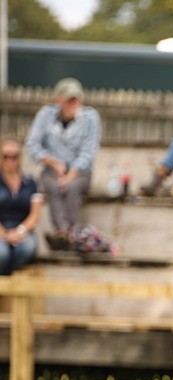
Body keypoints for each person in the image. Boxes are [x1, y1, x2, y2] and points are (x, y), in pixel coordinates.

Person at [23, 78, 100, 250]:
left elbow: (88, 152)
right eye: (69, 98)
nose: (73, 102)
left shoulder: (91, 117)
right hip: (51, 170)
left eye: (76, 98)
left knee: (71, 187)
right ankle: (65, 232)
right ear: (58, 99)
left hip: (80, 172)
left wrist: (71, 174)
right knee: (53, 186)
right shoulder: (45, 114)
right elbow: (32, 145)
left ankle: (66, 233)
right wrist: (53, 163)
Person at [0, 138, 44, 275]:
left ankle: (8, 281)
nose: (10, 160)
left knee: (28, 248)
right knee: (2, 253)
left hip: (22, 230)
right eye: (6, 156)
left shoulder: (30, 183)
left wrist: (19, 231)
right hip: (1, 229)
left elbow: (35, 214)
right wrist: (4, 234)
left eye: (14, 157)